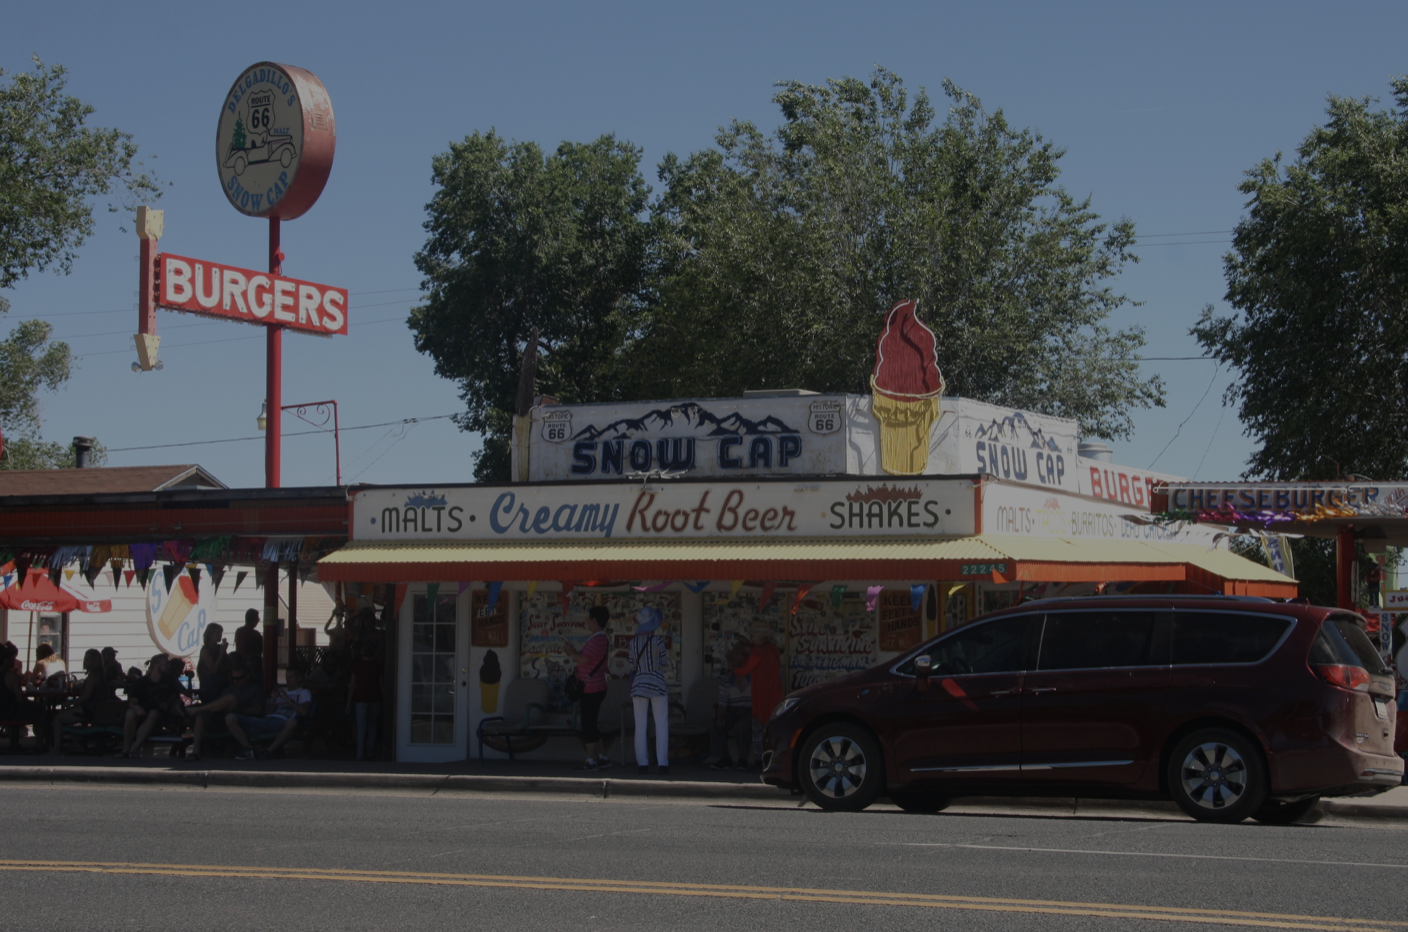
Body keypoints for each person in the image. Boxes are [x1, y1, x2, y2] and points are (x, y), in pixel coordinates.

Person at [181, 656, 264, 761]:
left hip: (241, 717)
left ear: (247, 676)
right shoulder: (231, 688)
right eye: (233, 678)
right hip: (222, 717)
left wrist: (240, 710)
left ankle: (197, 709)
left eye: (239, 678)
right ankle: (195, 752)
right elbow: (218, 703)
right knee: (202, 716)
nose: (235, 681)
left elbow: (258, 710)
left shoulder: (255, 689)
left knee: (231, 698)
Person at [561, 605, 611, 771]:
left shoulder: (597, 639)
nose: (587, 622)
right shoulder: (599, 639)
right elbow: (586, 658)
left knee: (588, 724)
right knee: (592, 723)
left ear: (595, 620)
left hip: (592, 688)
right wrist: (573, 652)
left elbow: (583, 660)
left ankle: (591, 760)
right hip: (596, 686)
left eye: (589, 619)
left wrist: (571, 651)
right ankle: (603, 757)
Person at [225, 666, 312, 760]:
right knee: (230, 718)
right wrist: (273, 700)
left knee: (293, 722)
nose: (288, 680)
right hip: (266, 721)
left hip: (283, 722)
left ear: (299, 678)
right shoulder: (280, 693)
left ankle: (267, 752)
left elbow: (304, 712)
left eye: (291, 677)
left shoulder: (304, 692)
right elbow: (266, 714)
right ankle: (249, 750)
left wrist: (287, 698)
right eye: (287, 677)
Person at [733, 621, 783, 771]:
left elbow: (745, 670)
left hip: (762, 696)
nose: (752, 636)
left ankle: (759, 761)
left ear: (761, 636)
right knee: (772, 732)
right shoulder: (774, 649)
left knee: (758, 732)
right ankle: (772, 760)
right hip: (775, 695)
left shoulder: (758, 651)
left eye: (754, 634)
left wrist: (733, 667)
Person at [628, 606, 672, 776]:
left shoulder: (633, 643)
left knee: (640, 725)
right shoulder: (658, 641)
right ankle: (663, 763)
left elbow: (632, 666)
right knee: (661, 724)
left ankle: (642, 764)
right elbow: (663, 662)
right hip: (657, 683)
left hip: (639, 684)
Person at [48, 649, 115, 754]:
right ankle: (76, 743)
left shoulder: (93, 676)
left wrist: (69, 703)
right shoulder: (100, 675)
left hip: (90, 709)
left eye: (88, 659)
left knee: (57, 718)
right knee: (68, 714)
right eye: (85, 659)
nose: (85, 662)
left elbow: (85, 697)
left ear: (95, 661)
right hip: (96, 709)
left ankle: (56, 749)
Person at [118, 654, 179, 758]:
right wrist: (137, 708)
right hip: (142, 713)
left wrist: (167, 703)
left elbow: (174, 696)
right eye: (166, 664)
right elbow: (132, 701)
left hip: (160, 715)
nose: (168, 667)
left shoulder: (169, 680)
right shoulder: (141, 682)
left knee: (153, 713)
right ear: (156, 665)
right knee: (130, 712)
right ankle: (126, 749)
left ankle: (134, 748)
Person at [709, 646, 754, 770]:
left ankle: (743, 760)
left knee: (743, 726)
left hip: (749, 712)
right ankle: (724, 758)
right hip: (732, 711)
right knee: (715, 724)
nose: (730, 664)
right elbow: (723, 703)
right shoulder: (726, 681)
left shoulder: (753, 678)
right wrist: (720, 717)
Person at [345, 646, 383, 761]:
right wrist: (385, 699)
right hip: (375, 698)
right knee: (372, 725)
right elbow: (382, 685)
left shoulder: (357, 666)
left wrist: (348, 704)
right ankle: (370, 751)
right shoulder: (377, 666)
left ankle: (359, 754)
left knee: (361, 727)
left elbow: (352, 686)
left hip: (360, 698)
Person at [1, 643, 40, 740]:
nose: (14, 661)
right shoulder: (11, 676)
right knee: (40, 709)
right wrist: (33, 703)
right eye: (12, 659)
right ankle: (40, 742)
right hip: (9, 712)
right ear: (5, 660)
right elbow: (20, 699)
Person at [196, 623, 230, 702]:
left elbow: (229, 666)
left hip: (223, 684)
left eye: (220, 633)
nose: (219, 635)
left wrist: (224, 651)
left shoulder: (220, 648)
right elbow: (214, 669)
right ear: (210, 635)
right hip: (211, 687)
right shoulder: (205, 650)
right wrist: (221, 654)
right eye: (217, 633)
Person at [235, 609, 264, 682]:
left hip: (239, 662)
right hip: (252, 665)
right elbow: (260, 650)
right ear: (255, 620)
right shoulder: (255, 634)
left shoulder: (238, 631)